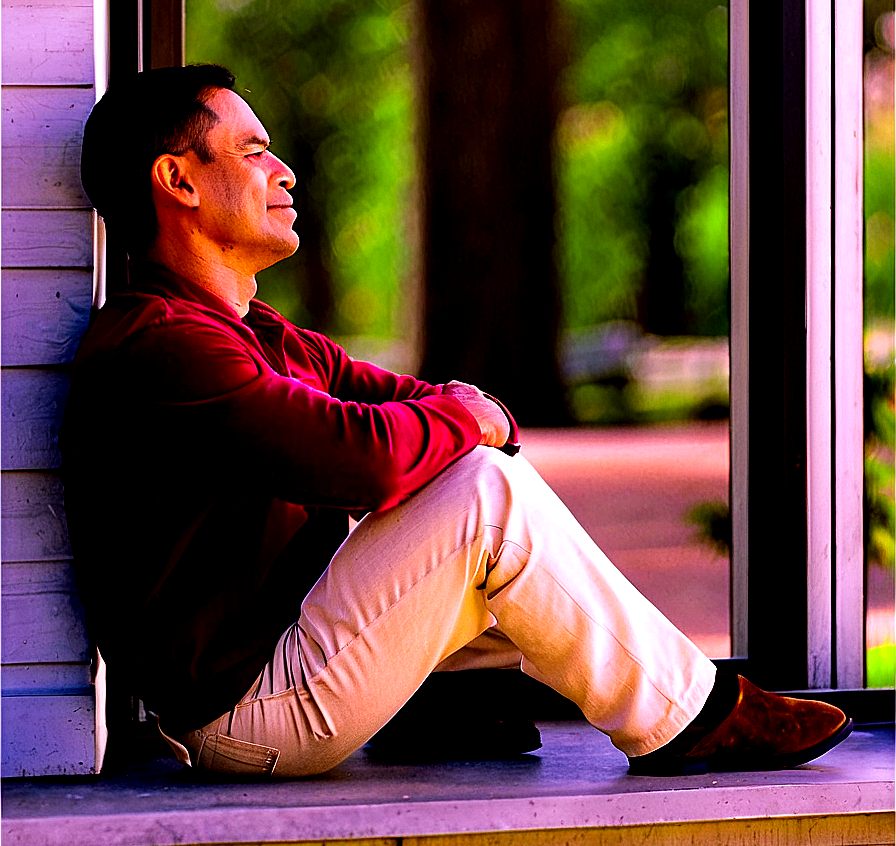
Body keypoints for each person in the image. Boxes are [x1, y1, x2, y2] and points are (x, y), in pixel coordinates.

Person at [61, 64, 852, 779]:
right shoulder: (163, 346)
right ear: (178, 181)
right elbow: (363, 460)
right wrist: (468, 420)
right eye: (253, 151)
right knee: (481, 491)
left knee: (461, 467)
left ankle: (452, 698)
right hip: (247, 718)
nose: (285, 172)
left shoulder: (257, 332)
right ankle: (689, 719)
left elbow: (398, 403)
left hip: (289, 668)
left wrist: (467, 417)